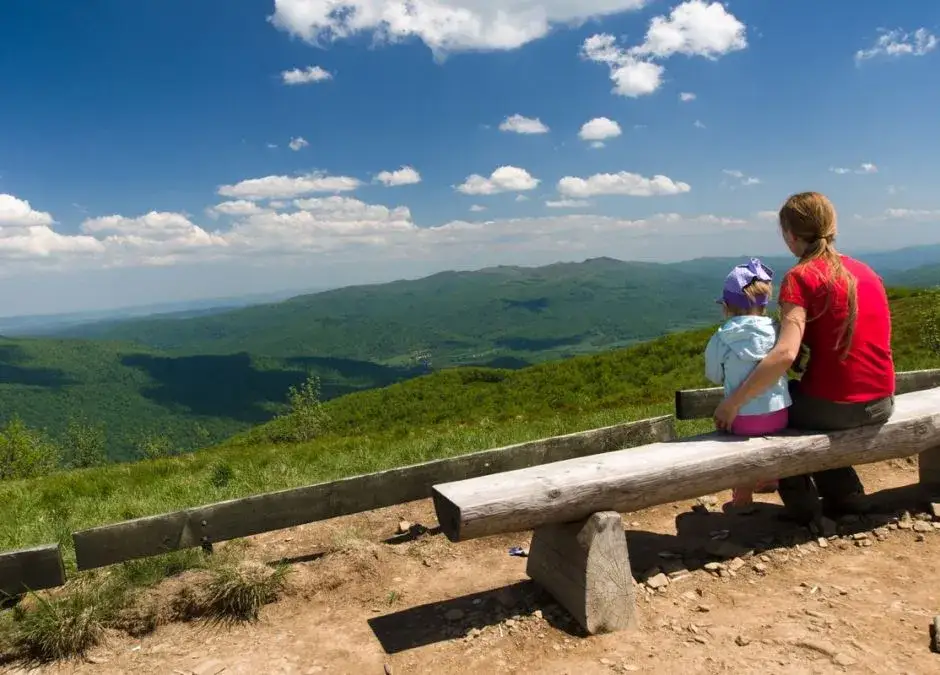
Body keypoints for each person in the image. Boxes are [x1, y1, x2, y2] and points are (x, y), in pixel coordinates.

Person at [713, 191, 896, 526]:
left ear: (789, 236)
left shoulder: (800, 277)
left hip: (837, 407)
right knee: (812, 412)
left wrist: (733, 403)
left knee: (778, 412)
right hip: (883, 401)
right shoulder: (866, 271)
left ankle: (804, 510)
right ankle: (847, 497)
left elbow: (784, 353)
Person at [704, 258, 791, 507]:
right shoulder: (778, 332)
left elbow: (713, 375)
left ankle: (742, 499)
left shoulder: (722, 338)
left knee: (738, 444)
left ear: (727, 306)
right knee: (772, 435)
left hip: (741, 419)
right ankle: (770, 479)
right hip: (780, 413)